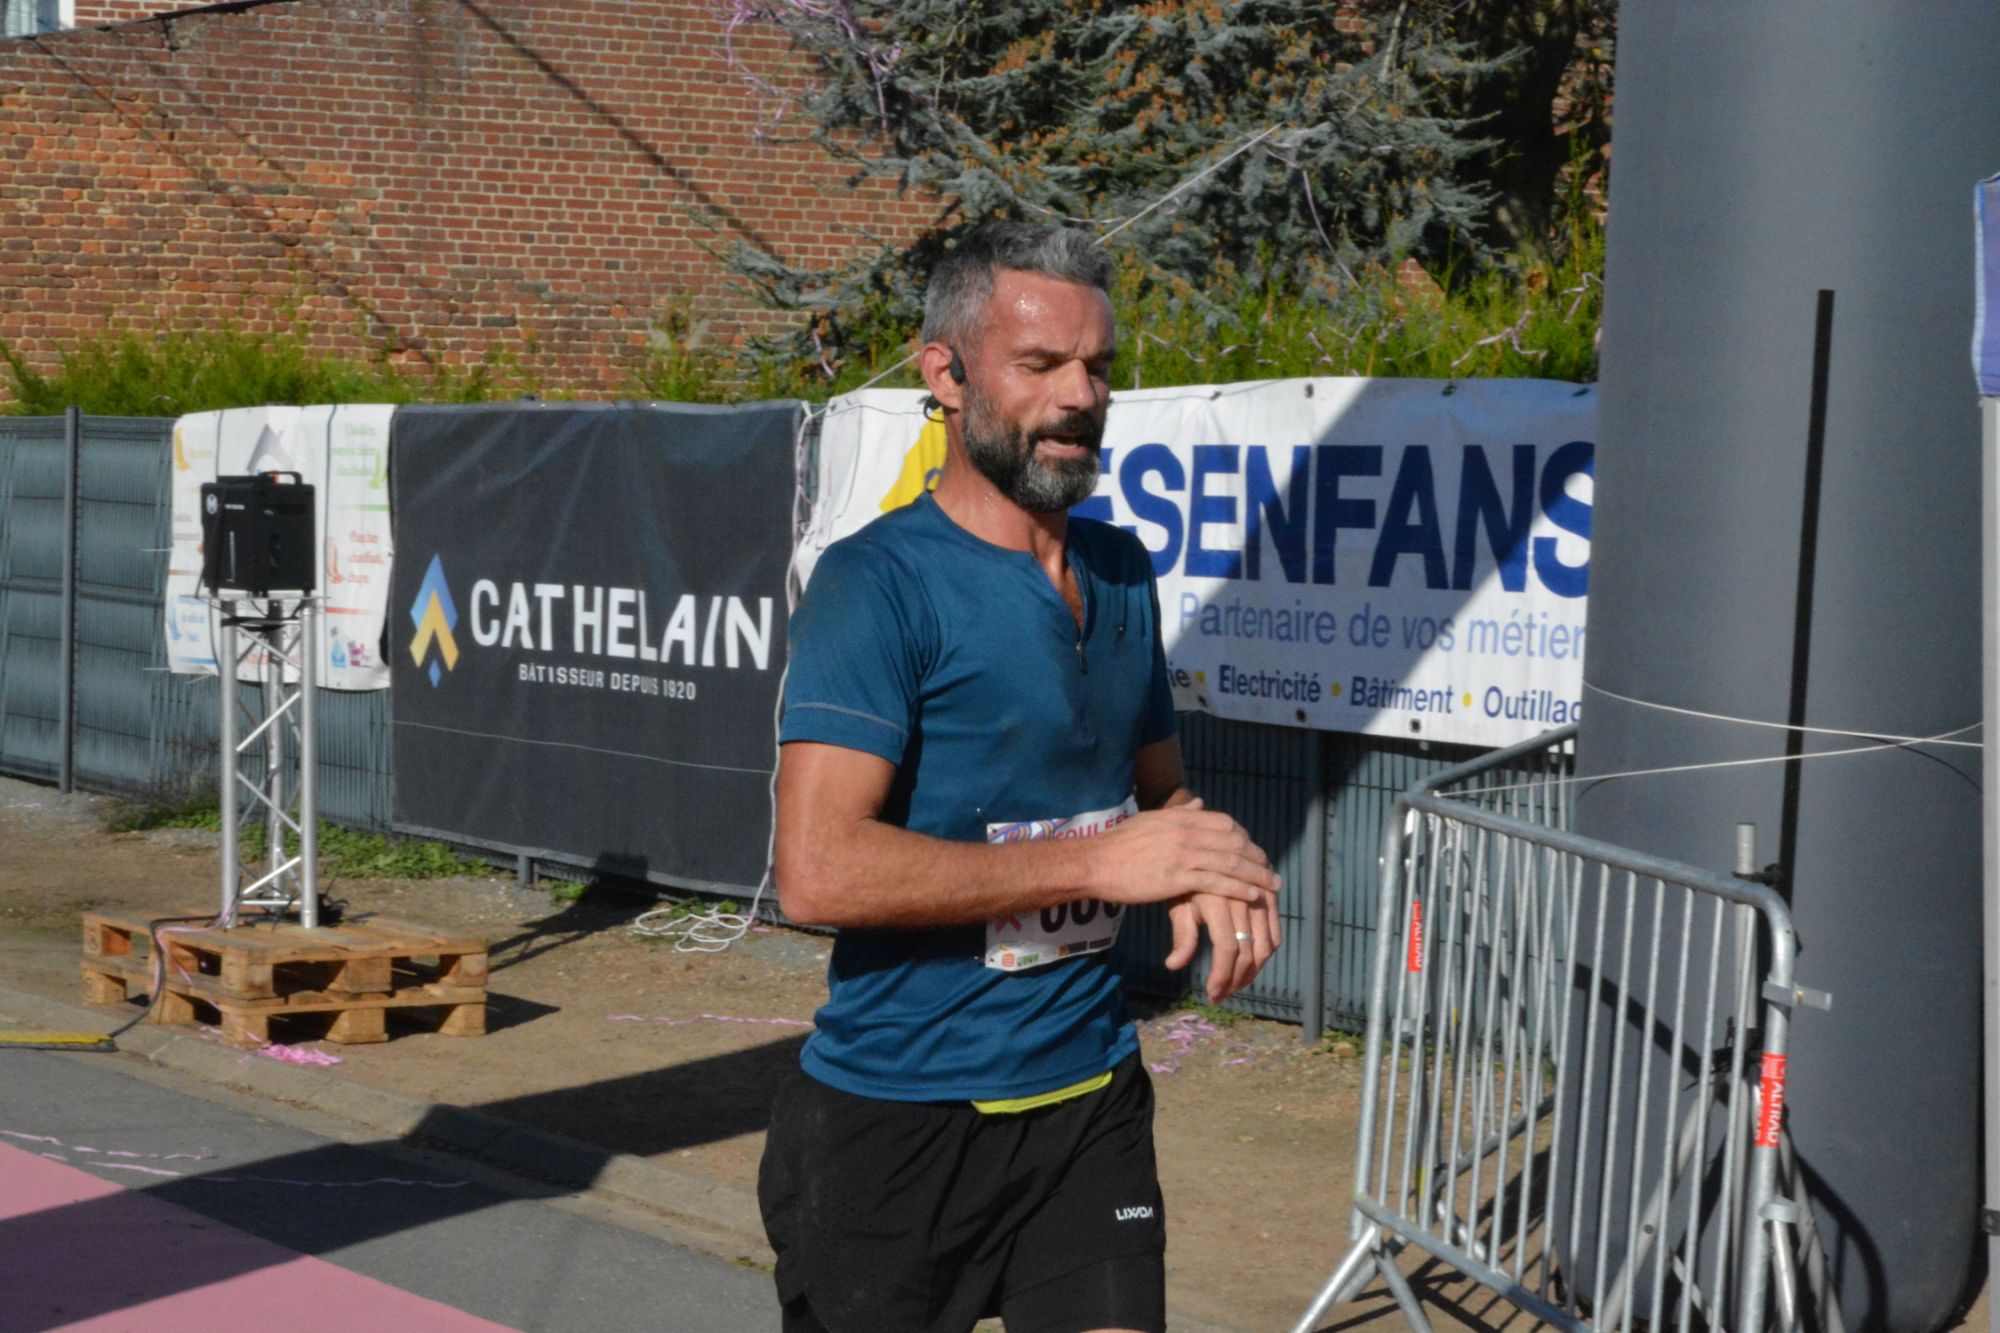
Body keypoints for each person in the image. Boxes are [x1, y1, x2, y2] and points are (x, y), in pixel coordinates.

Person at [758, 221, 1282, 1333]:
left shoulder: (1119, 569)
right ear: (945, 375)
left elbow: (1157, 793)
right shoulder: (874, 584)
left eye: (1097, 367)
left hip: (1088, 1100)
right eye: (1040, 365)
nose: (1079, 396)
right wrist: (1100, 862)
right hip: (898, 1121)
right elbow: (814, 871)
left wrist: (1201, 861)